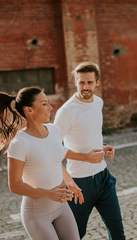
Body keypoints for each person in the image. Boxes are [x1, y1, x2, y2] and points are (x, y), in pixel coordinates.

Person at [0, 86, 104, 240]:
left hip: (61, 206)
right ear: (29, 110)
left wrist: (70, 181)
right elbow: (15, 185)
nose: (50, 107)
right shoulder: (20, 143)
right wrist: (48, 193)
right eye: (44, 104)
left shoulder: (53, 131)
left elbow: (55, 158)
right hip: (37, 214)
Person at [54, 62, 126, 239]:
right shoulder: (66, 111)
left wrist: (102, 148)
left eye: (90, 82)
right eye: (81, 83)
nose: (85, 87)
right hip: (79, 183)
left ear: (97, 82)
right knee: (75, 235)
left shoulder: (98, 102)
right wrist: (84, 157)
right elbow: (53, 150)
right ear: (75, 82)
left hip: (103, 178)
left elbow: (87, 136)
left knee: (117, 232)